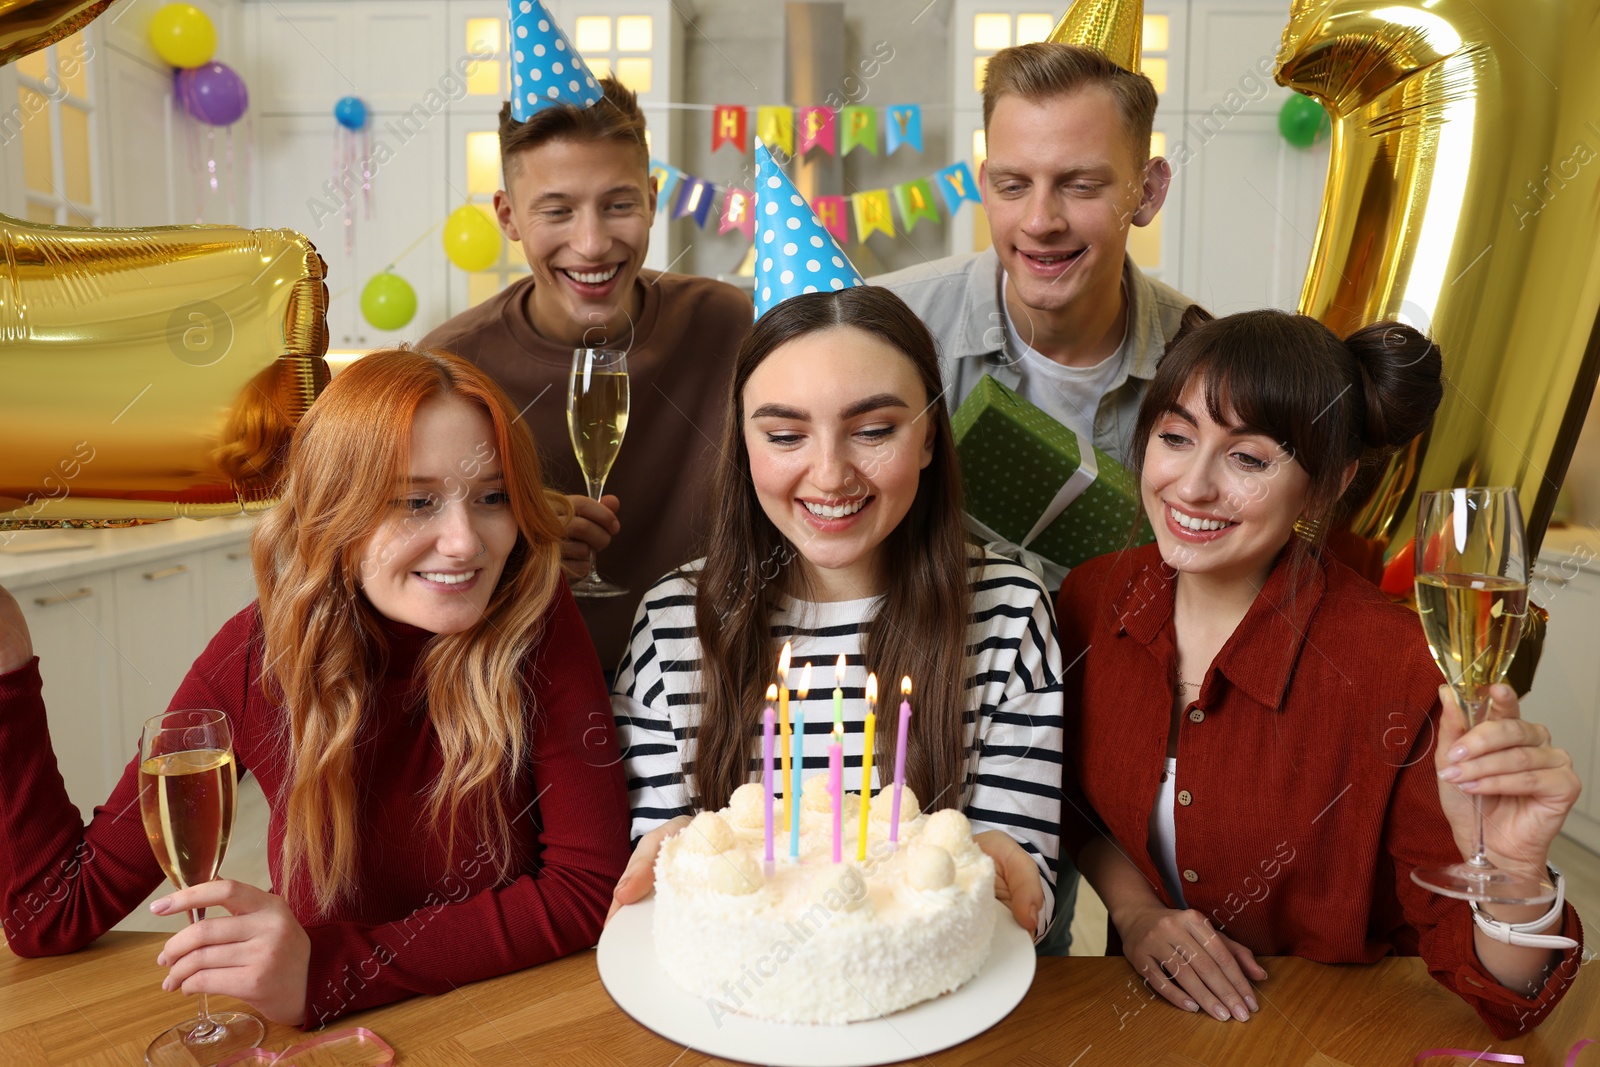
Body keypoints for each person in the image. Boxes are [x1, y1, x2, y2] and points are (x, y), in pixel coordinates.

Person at [0, 350, 631, 1028]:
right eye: (415, 501)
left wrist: (334, 968)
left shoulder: (534, 611)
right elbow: (53, 911)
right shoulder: (256, 656)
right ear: (337, 512)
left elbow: (588, 886)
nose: (463, 542)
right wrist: (7, 664)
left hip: (506, 1022)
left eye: (492, 496)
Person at [1058, 308, 1585, 1037]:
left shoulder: (1397, 668)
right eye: (1176, 438)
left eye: (1248, 458)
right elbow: (1071, 802)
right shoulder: (1091, 598)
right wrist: (1137, 910)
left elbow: (1504, 994)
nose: (1193, 486)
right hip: (1146, 1031)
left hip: (1337, 1036)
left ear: (1323, 486)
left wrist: (1518, 879)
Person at [606, 285, 1066, 938]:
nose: (829, 474)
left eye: (874, 430)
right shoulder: (673, 625)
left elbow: (1019, 883)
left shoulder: (1010, 614)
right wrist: (674, 849)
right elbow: (668, 868)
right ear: (743, 442)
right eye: (786, 434)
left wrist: (1008, 874)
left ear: (930, 435)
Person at [421, 74, 752, 671]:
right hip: (523, 701)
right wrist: (513, 537)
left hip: (708, 690)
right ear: (508, 215)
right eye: (557, 210)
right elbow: (398, 550)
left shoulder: (730, 325)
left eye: (619, 204)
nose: (593, 243)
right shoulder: (451, 366)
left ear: (652, 198)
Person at [874, 42, 1193, 473]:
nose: (1040, 222)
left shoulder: (1203, 358)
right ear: (985, 189)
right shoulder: (882, 328)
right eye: (1013, 186)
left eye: (1081, 185)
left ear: (1148, 193)